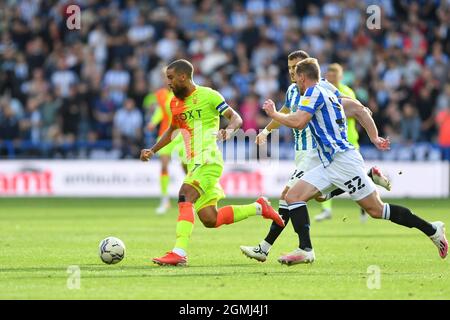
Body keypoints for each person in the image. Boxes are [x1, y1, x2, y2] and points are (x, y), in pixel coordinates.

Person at [262, 58, 448, 265]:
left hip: (343, 161)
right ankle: (305, 249)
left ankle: (432, 229)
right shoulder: (328, 90)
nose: (295, 81)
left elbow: (298, 122)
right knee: (293, 196)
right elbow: (360, 109)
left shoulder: (312, 93)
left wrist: (274, 114)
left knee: (377, 210)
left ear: (303, 77)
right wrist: (374, 137)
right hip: (329, 161)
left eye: (296, 77)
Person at [240, 51, 391, 262]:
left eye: (296, 67)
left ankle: (271, 248)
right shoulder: (293, 90)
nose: (292, 71)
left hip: (315, 151)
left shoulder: (319, 87)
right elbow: (285, 110)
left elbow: (340, 101)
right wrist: (266, 131)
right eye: (290, 67)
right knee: (319, 196)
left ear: (305, 69)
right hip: (301, 152)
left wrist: (360, 109)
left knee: (288, 195)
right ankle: (367, 175)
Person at [140, 59, 284, 266]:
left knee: (185, 196)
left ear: (183, 76)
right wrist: (152, 150)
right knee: (210, 219)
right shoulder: (174, 102)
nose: (168, 83)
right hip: (194, 163)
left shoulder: (209, 95)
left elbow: (235, 118)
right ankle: (259, 207)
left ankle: (179, 253)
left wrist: (229, 129)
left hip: (208, 159)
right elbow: (172, 130)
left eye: (171, 78)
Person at [314, 63, 383, 222]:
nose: (331, 78)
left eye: (334, 76)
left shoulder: (346, 91)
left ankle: (366, 206)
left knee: (357, 177)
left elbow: (355, 111)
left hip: (349, 139)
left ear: (340, 77)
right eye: (329, 75)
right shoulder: (323, 88)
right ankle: (326, 209)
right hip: (331, 142)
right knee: (328, 173)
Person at [144, 68, 187, 214]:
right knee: (163, 165)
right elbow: (161, 111)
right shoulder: (161, 95)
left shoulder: (182, 92)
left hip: (181, 133)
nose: (166, 79)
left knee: (185, 166)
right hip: (165, 133)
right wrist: (153, 122)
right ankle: (165, 200)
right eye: (165, 77)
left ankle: (190, 196)